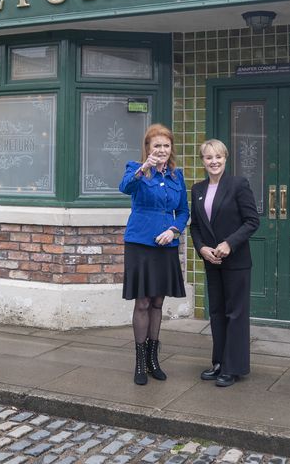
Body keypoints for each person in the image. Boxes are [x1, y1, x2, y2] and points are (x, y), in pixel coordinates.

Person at [119, 123, 189, 385]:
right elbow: (124, 187)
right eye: (156, 145)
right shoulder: (135, 170)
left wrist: (174, 230)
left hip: (165, 246)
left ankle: (153, 358)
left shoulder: (176, 176)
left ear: (171, 149)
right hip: (139, 244)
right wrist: (144, 167)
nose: (161, 149)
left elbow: (183, 211)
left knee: (158, 302)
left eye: (166, 145)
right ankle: (139, 362)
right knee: (143, 302)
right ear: (148, 148)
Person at [189, 139, 259, 387]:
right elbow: (196, 226)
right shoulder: (197, 189)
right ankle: (218, 362)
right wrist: (201, 248)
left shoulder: (238, 184)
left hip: (236, 261)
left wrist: (229, 243)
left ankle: (233, 367)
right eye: (209, 157)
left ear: (225, 158)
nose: (214, 161)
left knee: (235, 313)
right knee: (217, 312)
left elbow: (252, 221)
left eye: (218, 157)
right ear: (203, 161)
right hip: (212, 261)